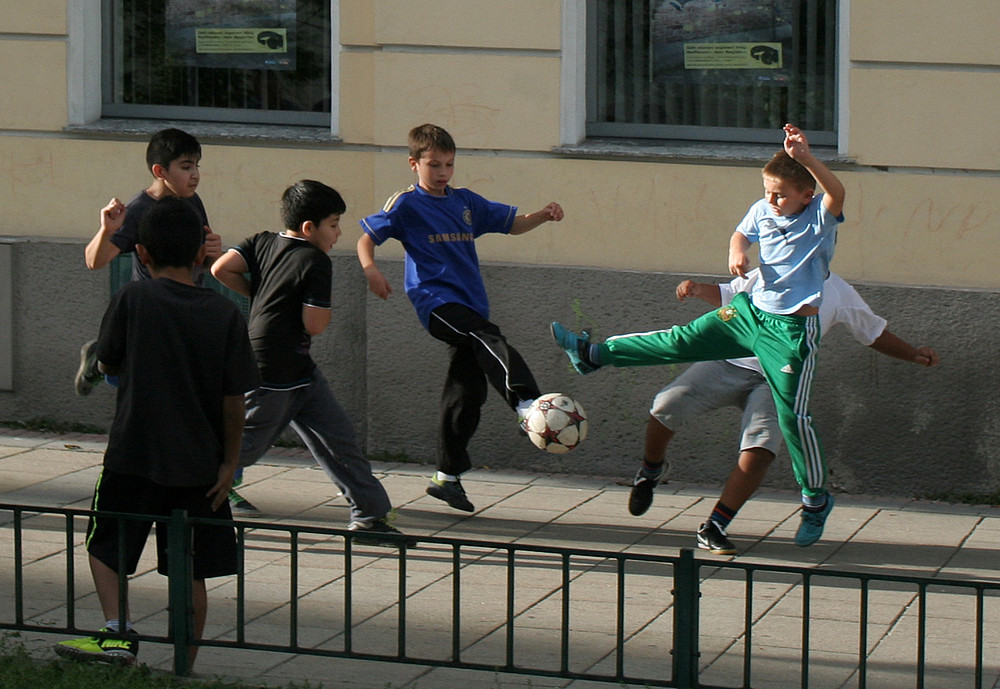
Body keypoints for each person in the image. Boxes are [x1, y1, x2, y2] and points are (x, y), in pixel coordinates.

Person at [553, 123, 846, 547]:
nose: (771, 200)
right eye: (767, 191)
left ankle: (815, 500)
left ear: (805, 195)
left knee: (793, 419)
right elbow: (743, 230)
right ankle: (594, 353)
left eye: (780, 194)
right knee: (680, 339)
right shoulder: (763, 210)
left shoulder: (819, 217)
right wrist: (737, 250)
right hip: (750, 314)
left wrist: (806, 159)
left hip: (790, 332)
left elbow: (837, 193)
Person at [54, 197, 260, 668]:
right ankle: (183, 669)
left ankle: (117, 633)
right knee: (190, 569)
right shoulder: (225, 314)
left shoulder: (133, 298)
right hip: (200, 464)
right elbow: (234, 398)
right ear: (200, 256)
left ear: (141, 255)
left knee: (108, 543)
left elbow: (107, 361)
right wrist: (230, 463)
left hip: (134, 454)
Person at [628, 270, 940, 555]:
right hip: (726, 362)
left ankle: (715, 526)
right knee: (666, 405)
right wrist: (697, 289)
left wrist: (913, 353)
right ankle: (651, 470)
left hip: (777, 380)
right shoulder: (770, 269)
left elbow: (872, 331)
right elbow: (729, 294)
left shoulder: (837, 291)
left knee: (760, 447)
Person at [357, 123, 564, 513]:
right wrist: (370, 270)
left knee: (466, 391)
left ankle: (447, 478)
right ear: (414, 164)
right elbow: (367, 237)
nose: (442, 173)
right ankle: (527, 404)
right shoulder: (406, 204)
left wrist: (543, 215)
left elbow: (511, 223)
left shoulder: (465, 202)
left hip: (470, 305)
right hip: (436, 302)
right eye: (434, 165)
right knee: (488, 336)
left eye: (449, 165)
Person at [72, 128, 257, 516]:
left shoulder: (193, 202)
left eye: (197, 166)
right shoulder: (139, 210)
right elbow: (95, 260)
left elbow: (201, 256)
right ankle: (102, 359)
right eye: (186, 166)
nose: (195, 175)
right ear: (160, 170)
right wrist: (107, 227)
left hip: (191, 309)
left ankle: (212, 476)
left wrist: (210, 253)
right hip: (152, 318)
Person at [211, 180, 406, 544]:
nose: (338, 233)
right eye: (333, 224)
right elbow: (314, 325)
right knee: (241, 447)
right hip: (273, 371)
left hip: (297, 370)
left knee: (338, 437)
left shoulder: (262, 241)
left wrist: (261, 296)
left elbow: (221, 268)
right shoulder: (315, 261)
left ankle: (370, 516)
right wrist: (281, 302)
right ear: (308, 228)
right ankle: (182, 498)